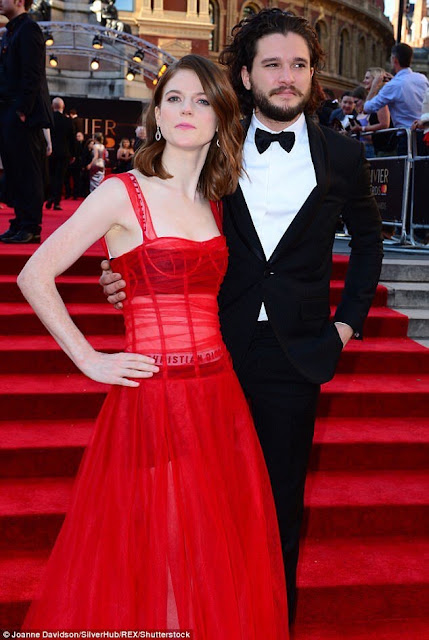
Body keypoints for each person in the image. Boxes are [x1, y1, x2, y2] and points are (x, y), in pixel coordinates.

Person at [101, 9, 383, 623]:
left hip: (295, 354)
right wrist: (125, 273)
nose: (287, 77)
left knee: (278, 507)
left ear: (313, 74)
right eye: (272, 65)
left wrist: (346, 324)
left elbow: (369, 241)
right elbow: (159, 218)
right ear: (248, 76)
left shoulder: (341, 155)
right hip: (210, 346)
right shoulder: (213, 144)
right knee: (194, 499)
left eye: (299, 65)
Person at [18, 54, 289, 636]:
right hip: (154, 397)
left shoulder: (215, 203)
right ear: (157, 116)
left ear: (221, 117)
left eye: (202, 100)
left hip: (219, 396)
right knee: (166, 548)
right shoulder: (123, 193)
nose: (187, 110)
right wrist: (89, 359)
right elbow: (34, 274)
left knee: (209, 549)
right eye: (174, 99)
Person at [0, 0, 53, 243]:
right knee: (14, 171)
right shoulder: (10, 32)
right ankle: (20, 222)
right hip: (8, 110)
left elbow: (33, 73)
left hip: (23, 114)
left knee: (27, 172)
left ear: (20, 1)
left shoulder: (29, 29)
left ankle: (31, 226)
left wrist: (22, 110)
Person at [364, 43, 429, 155]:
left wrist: (374, 86)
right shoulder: (422, 79)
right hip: (424, 136)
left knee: (407, 166)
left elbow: (367, 108)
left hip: (406, 138)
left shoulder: (392, 85)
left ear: (394, 60)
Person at [45, 97, 75, 211]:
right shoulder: (68, 121)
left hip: (50, 152)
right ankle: (56, 202)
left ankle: (50, 197)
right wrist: (73, 154)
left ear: (52, 106)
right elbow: (72, 139)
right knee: (60, 178)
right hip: (64, 153)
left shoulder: (49, 119)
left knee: (51, 176)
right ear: (63, 107)